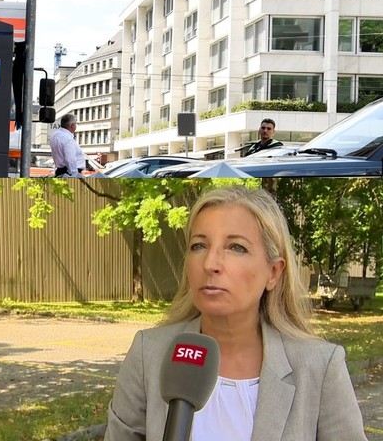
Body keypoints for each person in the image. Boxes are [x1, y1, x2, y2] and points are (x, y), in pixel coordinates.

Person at [105, 186, 366, 440]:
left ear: (273, 272)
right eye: (199, 246)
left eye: (236, 247)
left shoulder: (319, 366)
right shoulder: (149, 353)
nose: (210, 264)